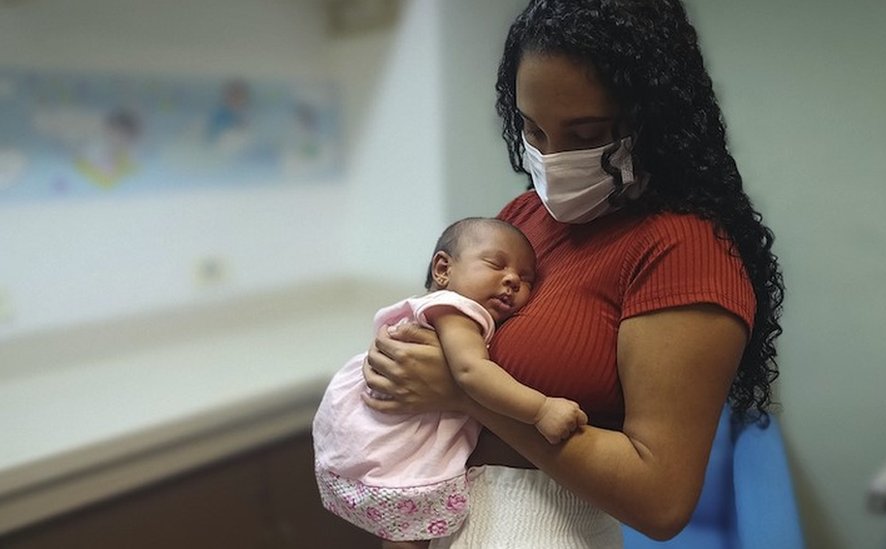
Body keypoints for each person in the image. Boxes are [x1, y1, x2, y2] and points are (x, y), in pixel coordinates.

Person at [362, 1, 786, 547]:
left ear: (651, 120)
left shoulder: (685, 250)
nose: (553, 159)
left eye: (585, 136)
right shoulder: (523, 219)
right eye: (533, 131)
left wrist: (465, 393)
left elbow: (661, 501)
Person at [312, 217, 588, 547]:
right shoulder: (457, 310)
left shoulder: (437, 307)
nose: (512, 279)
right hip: (397, 440)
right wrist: (541, 409)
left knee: (403, 537)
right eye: (495, 265)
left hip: (366, 437)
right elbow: (471, 372)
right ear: (443, 269)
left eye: (526, 279)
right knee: (407, 535)